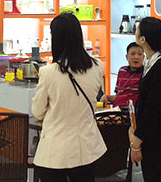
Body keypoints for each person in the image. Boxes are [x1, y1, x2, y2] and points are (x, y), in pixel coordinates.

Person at [32, 12, 106, 182]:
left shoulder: (48, 73)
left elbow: (37, 111)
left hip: (55, 151)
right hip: (87, 148)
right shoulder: (97, 66)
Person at [129, 17, 161, 182]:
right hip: (154, 137)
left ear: (143, 39)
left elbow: (154, 107)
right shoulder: (154, 62)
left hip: (159, 140)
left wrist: (138, 138)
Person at [105, 42, 144, 108]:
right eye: (133, 54)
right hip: (117, 110)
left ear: (143, 57)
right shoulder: (122, 71)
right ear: (127, 57)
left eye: (139, 54)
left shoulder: (145, 73)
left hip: (133, 111)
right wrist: (106, 97)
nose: (136, 57)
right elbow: (119, 95)